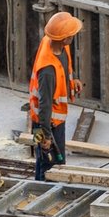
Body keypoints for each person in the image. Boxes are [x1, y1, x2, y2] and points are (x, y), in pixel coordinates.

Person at [30, 11, 83, 181]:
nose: (73, 37)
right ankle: (43, 194)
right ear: (65, 38)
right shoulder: (47, 71)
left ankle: (37, 187)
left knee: (42, 158)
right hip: (46, 122)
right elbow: (45, 105)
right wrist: (45, 136)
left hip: (46, 120)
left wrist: (72, 80)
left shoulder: (54, 43)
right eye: (72, 35)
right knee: (51, 164)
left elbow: (66, 68)